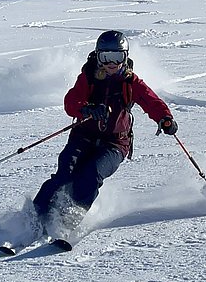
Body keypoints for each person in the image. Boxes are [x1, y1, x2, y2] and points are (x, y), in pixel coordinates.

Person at [32, 30, 178, 237]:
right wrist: (86, 109)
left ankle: (69, 219)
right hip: (84, 136)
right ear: (98, 57)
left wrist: (165, 118)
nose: (112, 63)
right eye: (106, 57)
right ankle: (35, 215)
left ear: (125, 58)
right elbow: (71, 101)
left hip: (115, 144)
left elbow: (151, 101)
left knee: (91, 174)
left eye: (117, 57)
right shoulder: (88, 78)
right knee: (66, 171)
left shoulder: (131, 83)